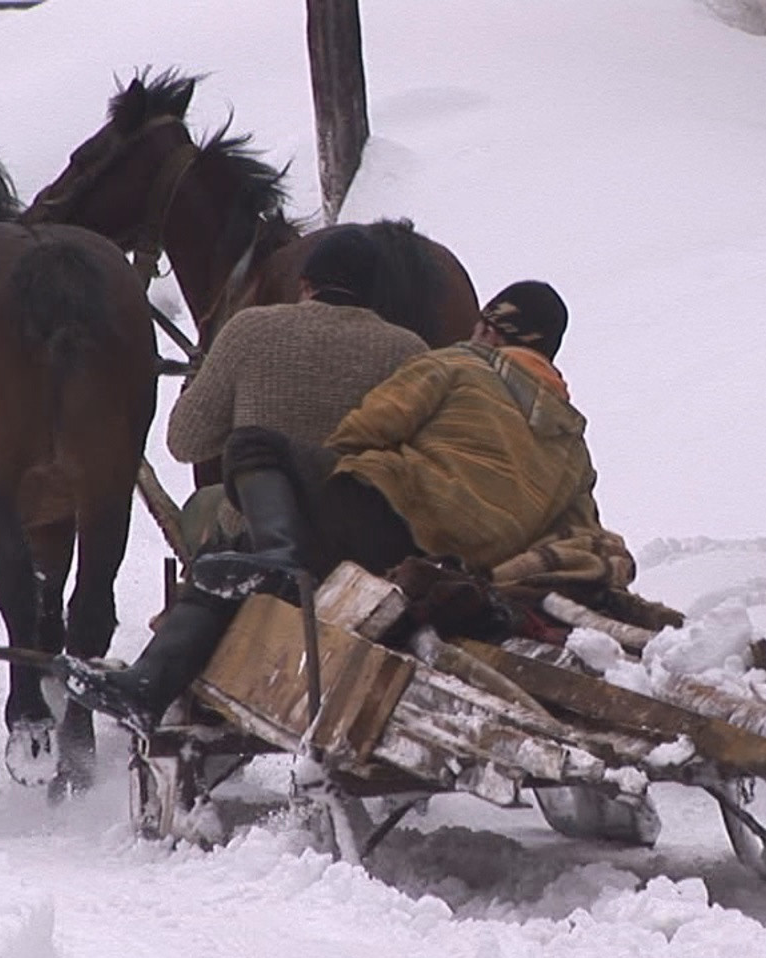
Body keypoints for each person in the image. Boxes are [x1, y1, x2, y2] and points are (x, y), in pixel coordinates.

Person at [73, 280, 631, 729]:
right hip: (459, 562)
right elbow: (579, 528)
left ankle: (269, 570)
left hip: (394, 518)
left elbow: (365, 430)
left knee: (252, 448)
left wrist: (331, 473)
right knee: (237, 556)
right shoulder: (571, 439)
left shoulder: (458, 364)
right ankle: (247, 587)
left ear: (489, 327)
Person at [167, 226, 427, 546]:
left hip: (256, 540)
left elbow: (184, 442)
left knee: (200, 508)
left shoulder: (249, 330)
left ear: (304, 284)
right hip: (363, 545)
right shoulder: (409, 352)